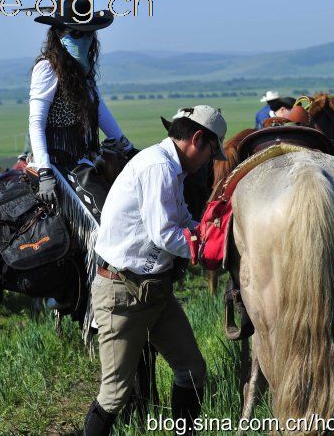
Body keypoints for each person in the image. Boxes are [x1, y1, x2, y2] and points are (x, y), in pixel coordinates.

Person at [83, 105, 227, 435]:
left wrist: (206, 229)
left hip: (154, 291)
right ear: (197, 139)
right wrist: (204, 247)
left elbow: (180, 221)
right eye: (210, 151)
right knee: (114, 395)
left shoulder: (170, 168)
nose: (209, 160)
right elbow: (163, 235)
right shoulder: (158, 168)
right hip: (122, 293)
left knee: (191, 370)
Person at [24, 0, 137, 225]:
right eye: (76, 33)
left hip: (83, 157)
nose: (84, 39)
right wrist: (45, 170)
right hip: (58, 161)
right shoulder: (47, 67)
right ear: (58, 34)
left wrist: (126, 146)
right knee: (106, 219)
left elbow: (99, 110)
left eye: (88, 33)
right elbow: (36, 121)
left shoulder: (82, 71)